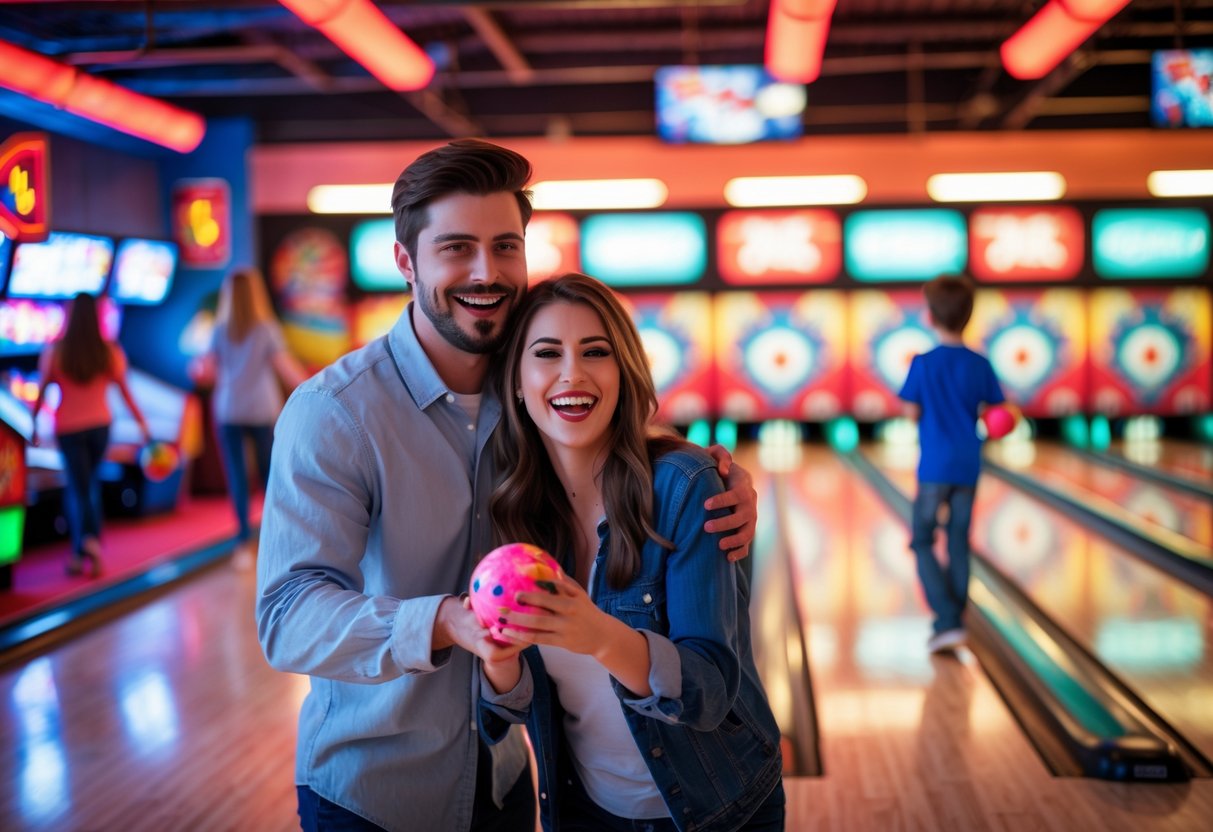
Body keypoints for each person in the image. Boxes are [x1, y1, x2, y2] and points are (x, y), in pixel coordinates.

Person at [255, 139, 759, 832]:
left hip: (510, 781)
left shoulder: (535, 381)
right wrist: (440, 622)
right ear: (406, 261)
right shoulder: (334, 413)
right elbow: (285, 615)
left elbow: (629, 443)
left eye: (505, 246)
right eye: (456, 248)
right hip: (376, 794)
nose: (486, 272)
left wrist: (718, 480)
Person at [477, 273, 785, 832]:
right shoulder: (510, 512)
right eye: (547, 353)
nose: (572, 373)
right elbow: (513, 710)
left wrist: (597, 635)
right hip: (586, 809)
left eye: (596, 352)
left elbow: (709, 690)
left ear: (624, 372)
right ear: (517, 381)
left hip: (720, 806)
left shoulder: (684, 486)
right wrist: (497, 658)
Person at [897, 274, 1006, 653]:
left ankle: (946, 620)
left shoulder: (923, 364)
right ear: (970, 316)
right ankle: (955, 618)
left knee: (923, 539)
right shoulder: (980, 364)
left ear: (929, 316)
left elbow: (911, 412)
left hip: (934, 469)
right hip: (968, 465)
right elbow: (998, 416)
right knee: (958, 540)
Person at [191, 268, 305, 568]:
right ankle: (274, 542)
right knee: (271, 477)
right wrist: (314, 387)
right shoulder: (266, 328)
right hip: (261, 409)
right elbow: (286, 368)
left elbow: (206, 372)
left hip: (229, 409)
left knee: (238, 477)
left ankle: (242, 542)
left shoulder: (218, 330)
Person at [31, 292, 150, 577]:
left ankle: (82, 548)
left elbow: (42, 391)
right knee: (89, 485)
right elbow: (125, 392)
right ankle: (88, 545)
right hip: (100, 426)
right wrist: (142, 424)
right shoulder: (109, 351)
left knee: (77, 487)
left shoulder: (57, 351)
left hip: (69, 428)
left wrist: (33, 424)